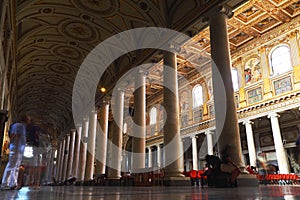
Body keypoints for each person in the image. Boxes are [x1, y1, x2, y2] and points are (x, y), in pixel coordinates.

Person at [1, 115, 31, 190]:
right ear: (25, 119)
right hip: (16, 149)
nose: (29, 121)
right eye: (29, 119)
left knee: (16, 167)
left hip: (19, 150)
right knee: (11, 166)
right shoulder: (19, 126)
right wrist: (14, 145)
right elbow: (14, 135)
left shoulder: (23, 127)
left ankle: (13, 183)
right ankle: (5, 184)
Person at [26, 124, 41, 189]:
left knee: (32, 167)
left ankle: (31, 182)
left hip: (32, 151)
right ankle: (34, 183)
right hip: (34, 152)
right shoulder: (35, 138)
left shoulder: (30, 137)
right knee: (34, 167)